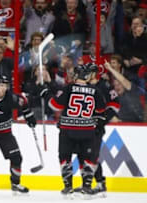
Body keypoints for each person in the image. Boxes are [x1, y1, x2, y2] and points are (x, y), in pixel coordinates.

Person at [40, 64, 106, 198]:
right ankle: (86, 188)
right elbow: (101, 110)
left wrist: (46, 94)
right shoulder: (95, 90)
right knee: (86, 158)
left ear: (76, 75)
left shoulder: (69, 88)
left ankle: (68, 187)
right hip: (87, 130)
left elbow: (55, 105)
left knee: (65, 157)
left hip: (68, 130)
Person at [74, 63, 120, 197]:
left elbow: (115, 104)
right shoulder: (84, 86)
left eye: (89, 72)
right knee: (82, 155)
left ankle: (98, 184)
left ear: (95, 73)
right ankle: (89, 183)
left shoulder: (104, 86)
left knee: (91, 155)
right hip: (83, 126)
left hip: (96, 128)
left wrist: (103, 119)